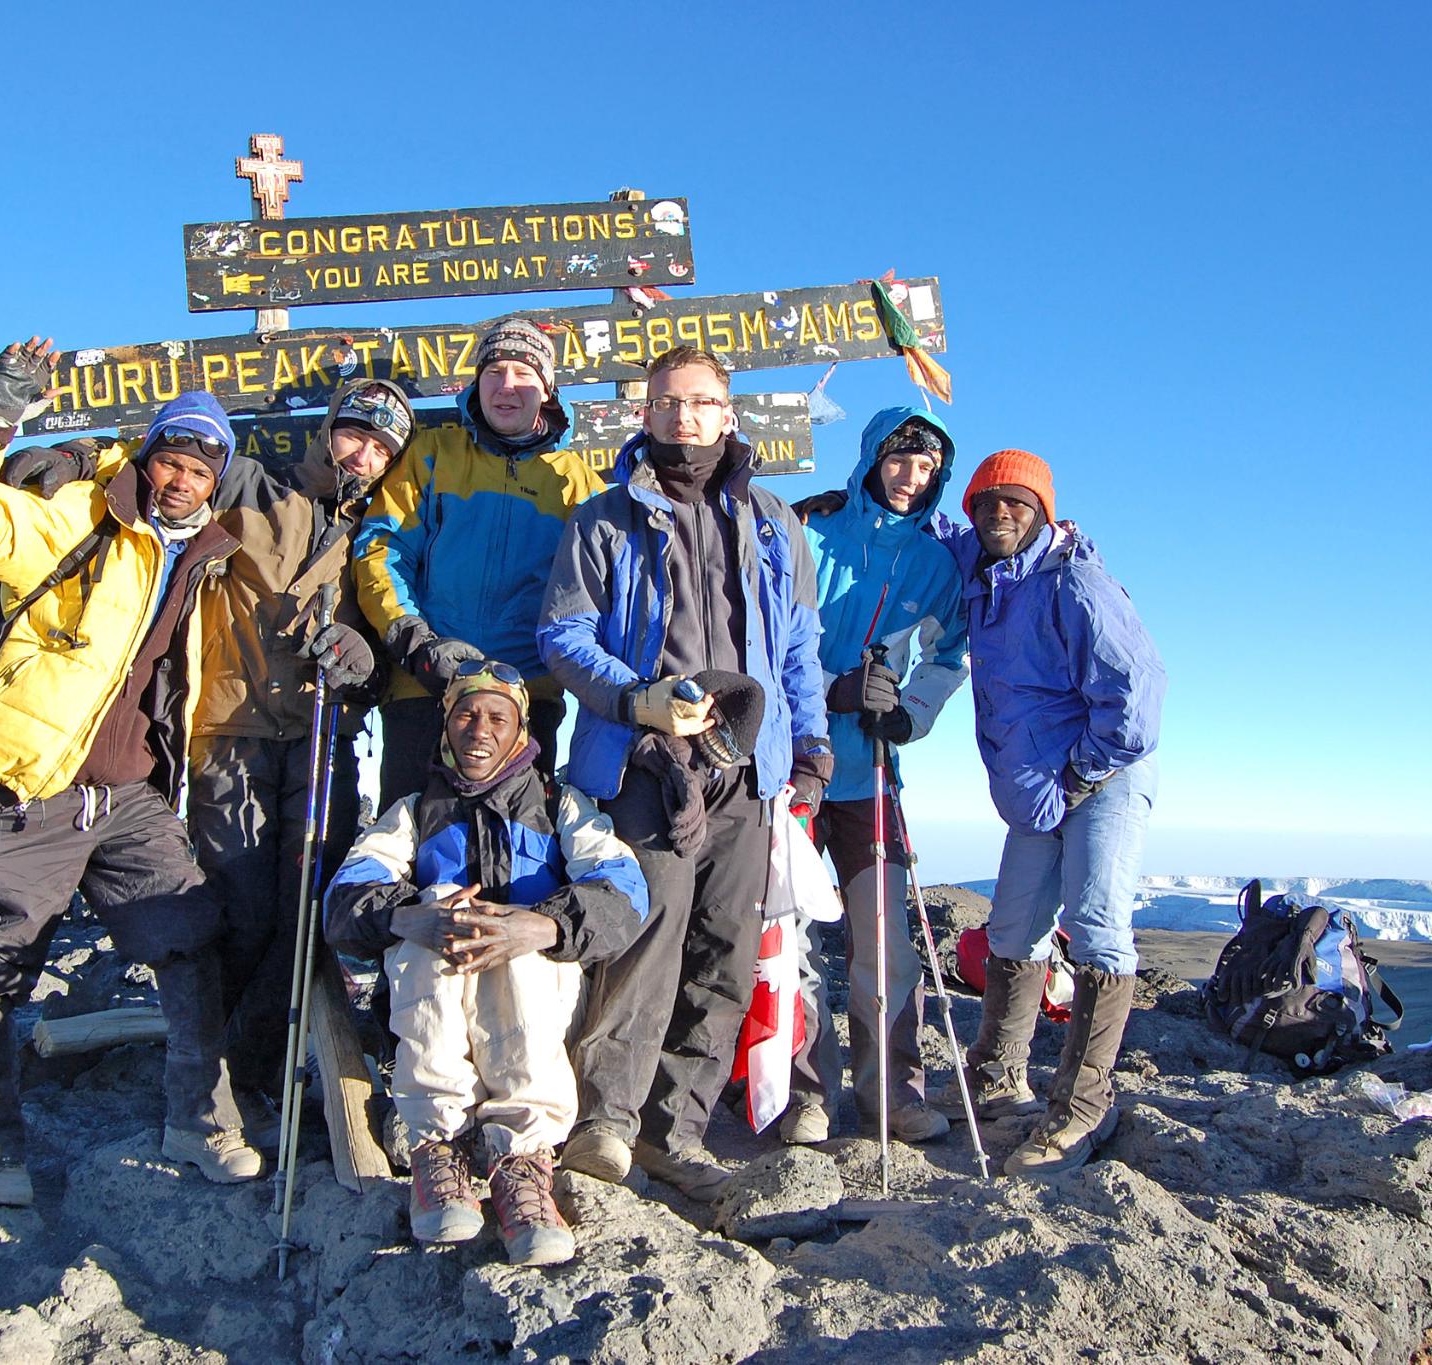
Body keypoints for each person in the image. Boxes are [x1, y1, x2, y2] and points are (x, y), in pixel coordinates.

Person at [3, 380, 419, 1098]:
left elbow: (379, 653)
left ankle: (260, 1064)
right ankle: (228, 1068)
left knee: (311, 907)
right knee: (244, 907)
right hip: (230, 732)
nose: (365, 454)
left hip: (325, 737)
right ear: (328, 429)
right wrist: (77, 453)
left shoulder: (377, 527)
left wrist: (363, 659)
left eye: (383, 448)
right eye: (356, 434)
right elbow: (166, 457)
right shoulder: (249, 482)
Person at [0, 339, 261, 1205]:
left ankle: (196, 1119)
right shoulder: (76, 518)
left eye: (198, 468)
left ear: (216, 480)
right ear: (146, 461)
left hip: (131, 798)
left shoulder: (204, 557)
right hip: (30, 787)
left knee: (188, 939)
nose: (179, 480)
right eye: (170, 460)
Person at [538, 345, 834, 1202]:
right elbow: (563, 635)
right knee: (641, 938)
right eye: (666, 403)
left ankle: (678, 1128)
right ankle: (607, 1122)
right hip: (643, 764)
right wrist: (639, 701)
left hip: (746, 768)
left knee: (726, 952)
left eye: (701, 402)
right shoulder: (603, 519)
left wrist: (810, 749)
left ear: (728, 414)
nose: (683, 417)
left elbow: (798, 651)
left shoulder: (775, 522)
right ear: (643, 413)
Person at [322, 664, 647, 1266]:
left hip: (537, 1002)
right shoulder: (413, 812)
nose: (480, 729)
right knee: (434, 906)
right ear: (445, 726)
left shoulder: (561, 806)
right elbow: (345, 898)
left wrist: (540, 924)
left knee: (517, 931)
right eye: (467, 715)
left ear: (521, 730)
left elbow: (625, 891)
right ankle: (436, 1148)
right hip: (435, 1003)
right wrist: (410, 918)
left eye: (498, 718)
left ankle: (523, 1161)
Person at [947, 449, 1165, 1175]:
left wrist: (1078, 773)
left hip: (1100, 772)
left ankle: (1080, 1107)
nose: (1000, 513)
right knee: (1013, 923)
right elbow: (923, 529)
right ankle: (998, 1074)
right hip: (1040, 782)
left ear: (1042, 511)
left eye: (1018, 502)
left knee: (1099, 926)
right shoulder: (987, 575)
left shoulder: (1074, 580)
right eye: (988, 502)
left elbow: (1137, 698)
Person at [789, 407, 969, 1147]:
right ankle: (802, 1091)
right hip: (794, 768)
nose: (911, 477)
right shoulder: (811, 534)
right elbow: (768, 634)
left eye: (926, 467)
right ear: (871, 458)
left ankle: (891, 1089)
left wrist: (909, 712)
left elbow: (950, 649)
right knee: (786, 935)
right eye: (900, 460)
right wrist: (830, 689)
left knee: (884, 941)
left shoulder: (933, 564)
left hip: (871, 773)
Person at [354, 318, 605, 809]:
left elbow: (597, 591)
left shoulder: (577, 484)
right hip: (424, 686)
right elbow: (382, 548)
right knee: (408, 844)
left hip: (526, 696)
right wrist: (413, 639)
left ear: (548, 390)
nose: (506, 386)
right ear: (476, 383)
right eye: (493, 371)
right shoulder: (433, 454)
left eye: (523, 374)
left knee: (515, 857)